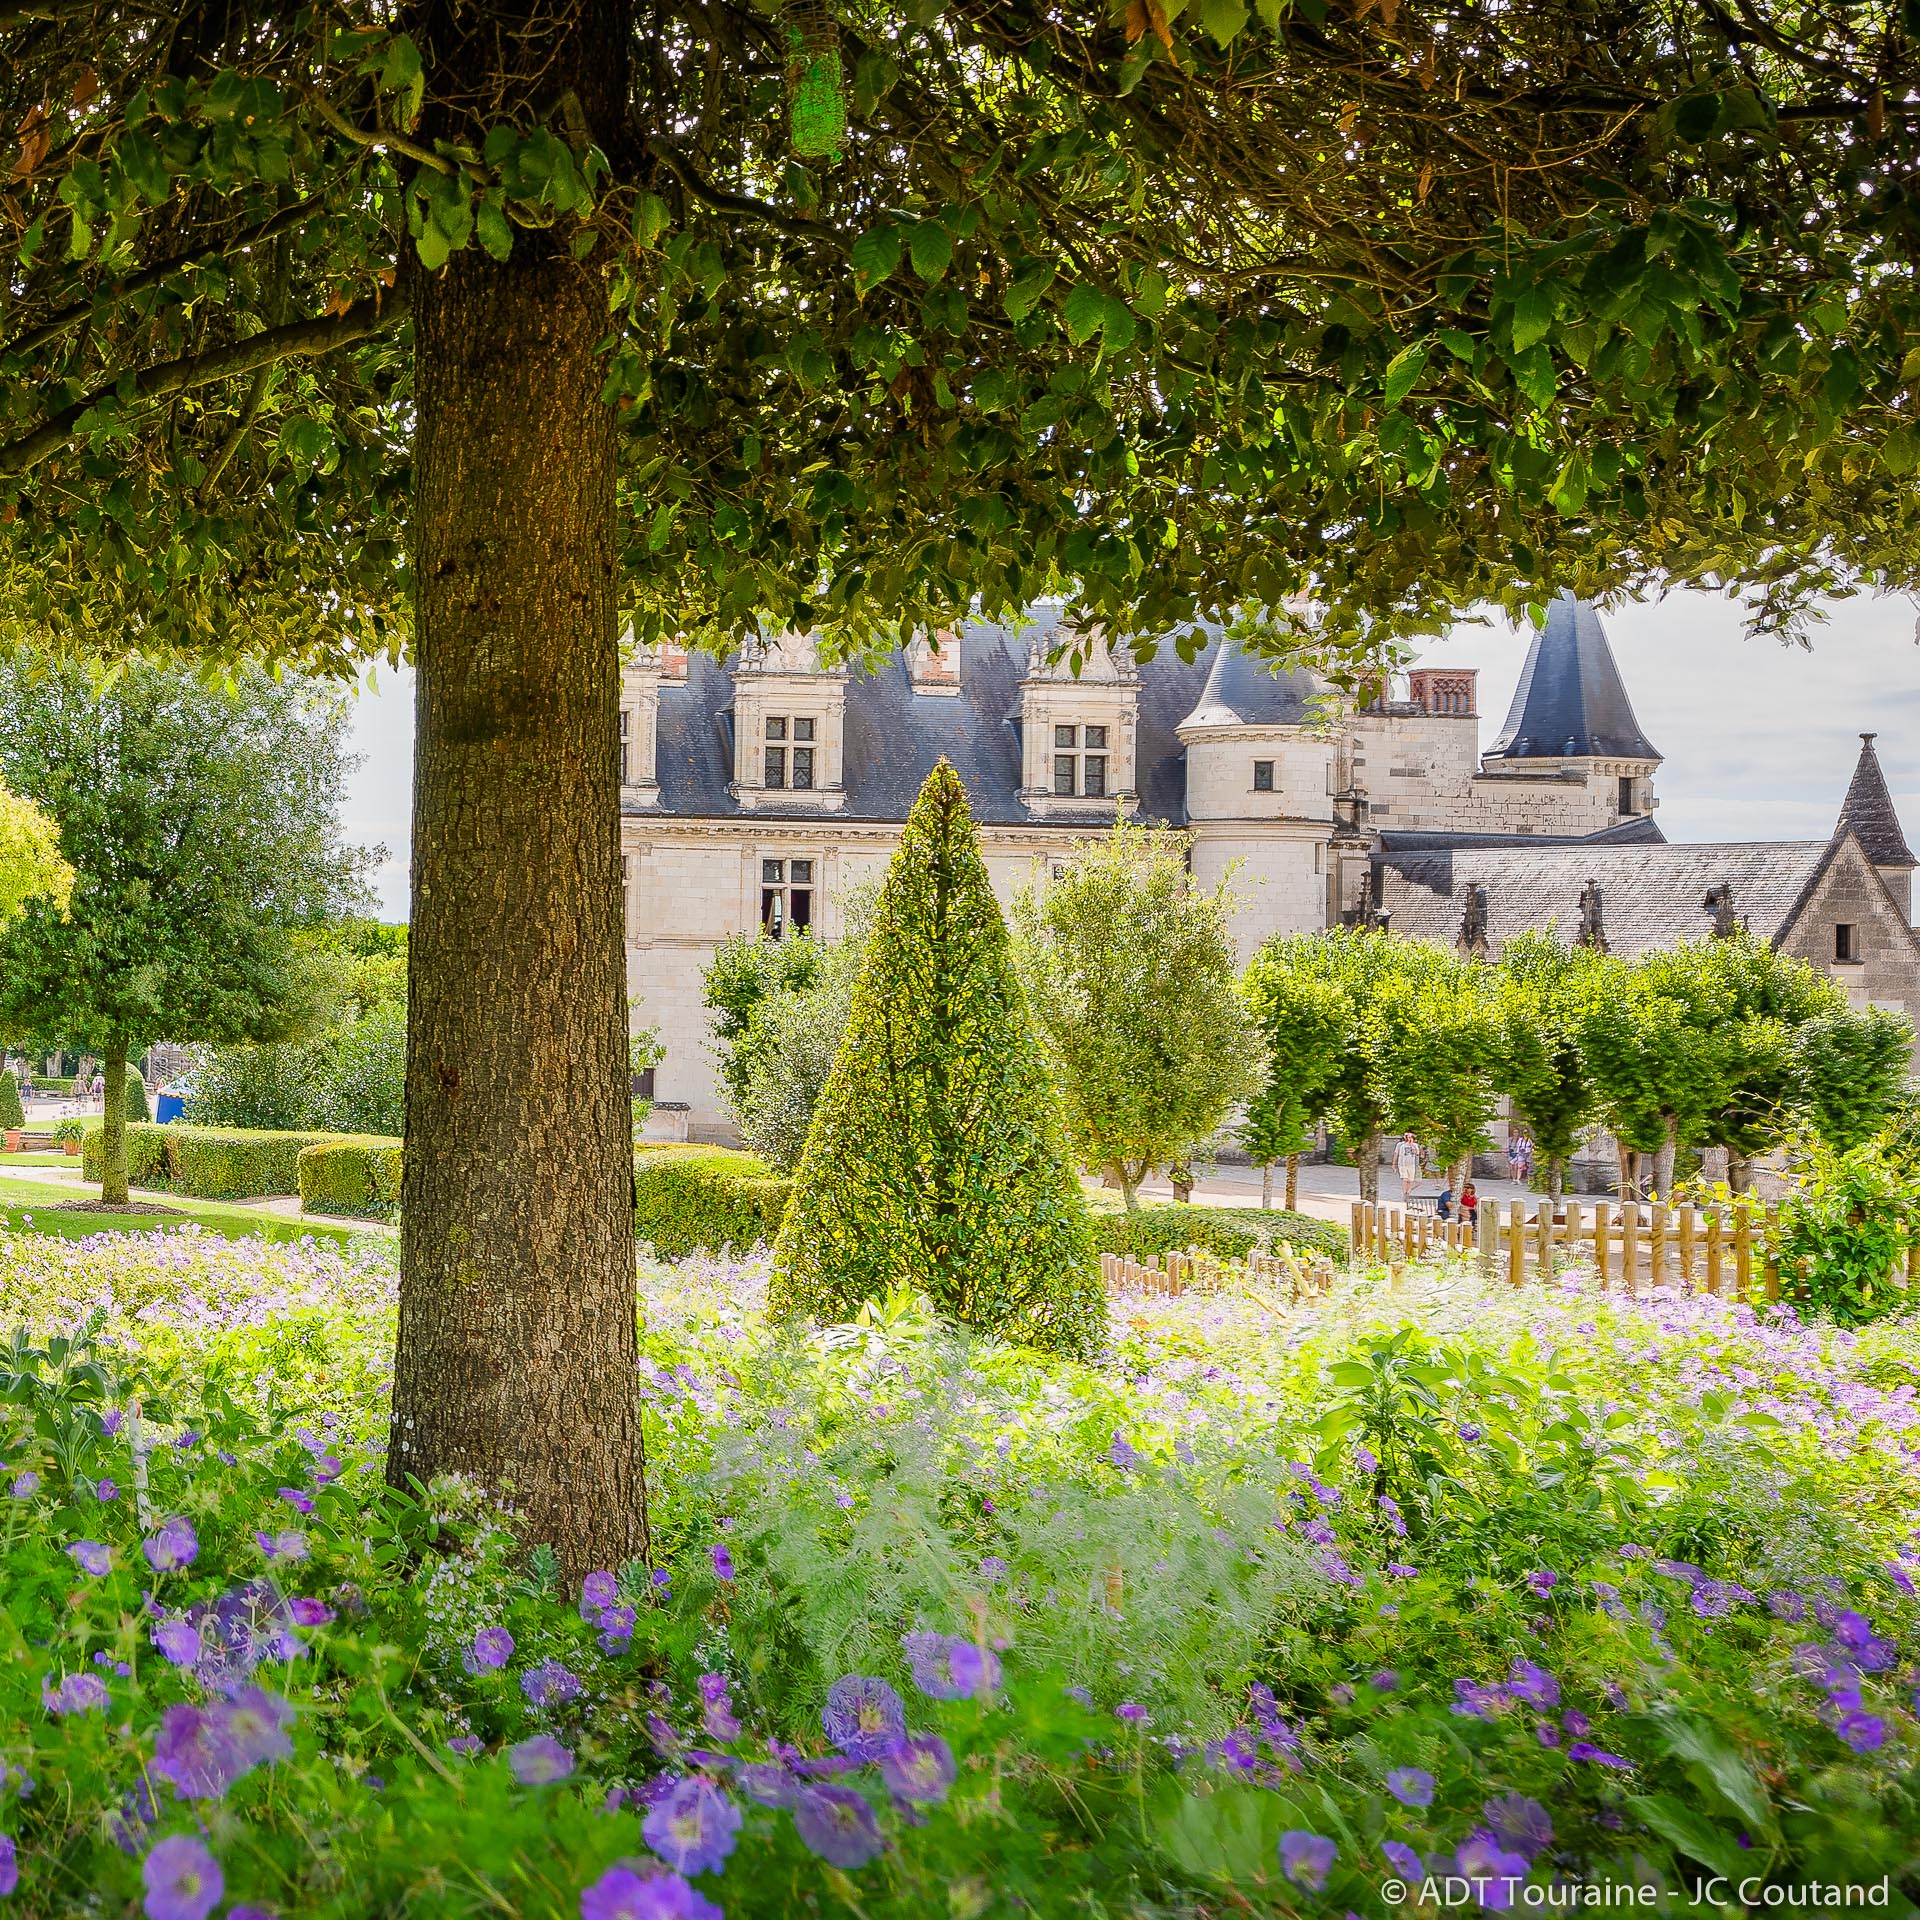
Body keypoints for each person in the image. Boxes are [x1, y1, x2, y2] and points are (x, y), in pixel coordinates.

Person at [1392, 1132, 1422, 1197]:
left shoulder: (1415, 1145)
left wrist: (1412, 1145)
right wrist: (1394, 1163)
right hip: (1402, 1164)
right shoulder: (1400, 1145)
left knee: (1410, 1180)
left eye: (1410, 1137)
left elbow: (1417, 1153)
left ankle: (1408, 1192)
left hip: (1411, 1165)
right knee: (1405, 1179)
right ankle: (1404, 1193)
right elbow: (1396, 1154)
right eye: (1408, 1137)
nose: (1409, 1139)